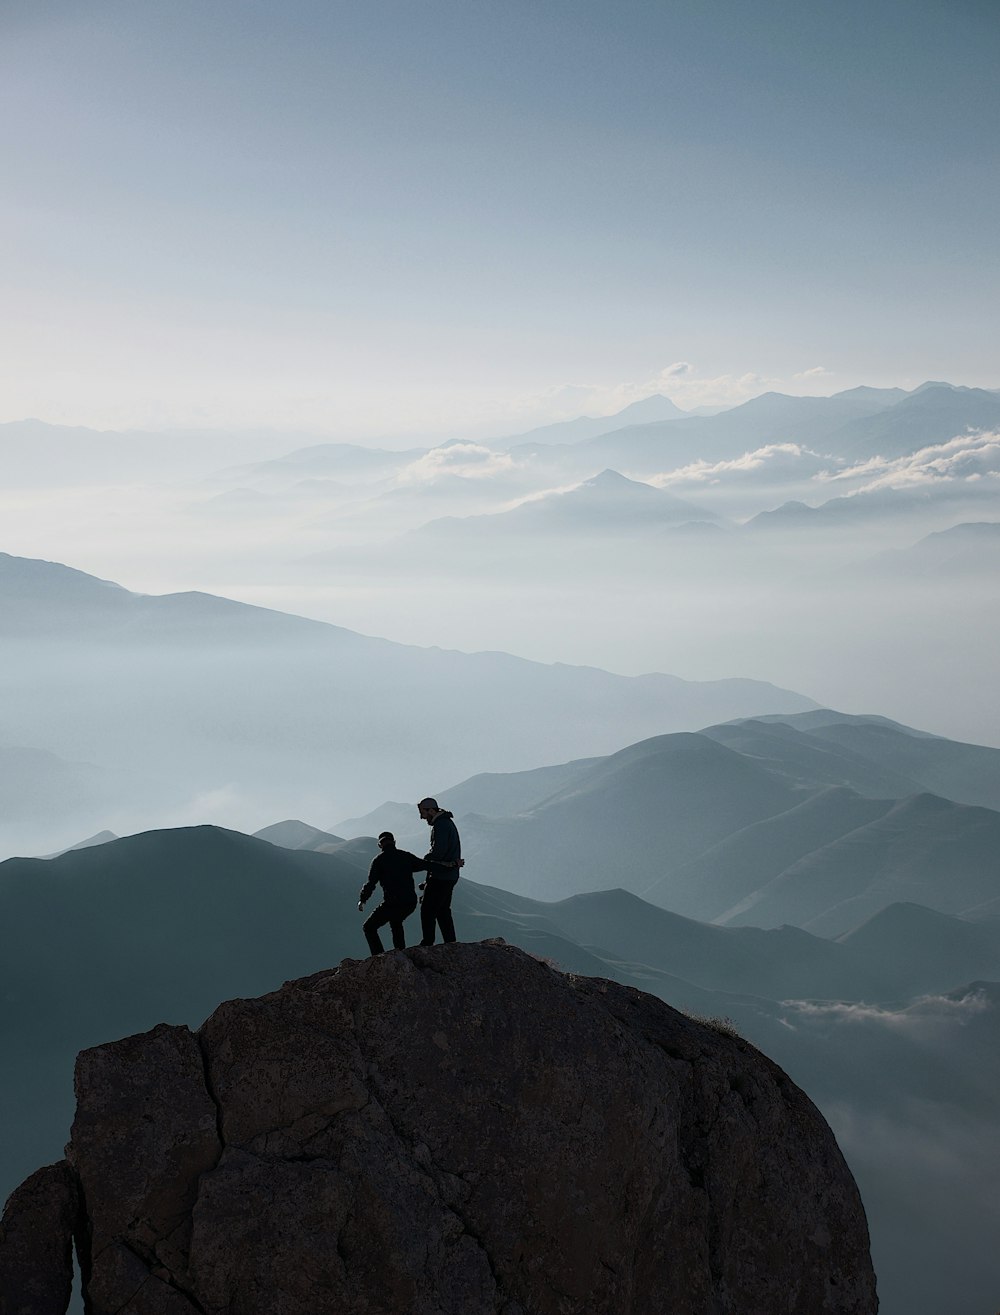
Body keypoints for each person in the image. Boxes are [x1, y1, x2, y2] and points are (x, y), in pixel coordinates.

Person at [358, 831, 446, 956]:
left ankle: (380, 957)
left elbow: (371, 883)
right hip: (409, 902)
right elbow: (427, 865)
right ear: (394, 842)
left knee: (369, 927)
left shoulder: (379, 861)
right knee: (396, 921)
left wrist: (363, 899)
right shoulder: (405, 856)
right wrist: (451, 866)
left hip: (392, 902)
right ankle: (400, 953)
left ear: (380, 845)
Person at [417, 797, 462, 945]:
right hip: (450, 875)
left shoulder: (440, 825)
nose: (422, 817)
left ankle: (428, 943)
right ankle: (451, 942)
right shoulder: (447, 823)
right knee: (443, 910)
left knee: (427, 909)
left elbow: (439, 851)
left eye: (423, 812)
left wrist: (426, 859)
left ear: (430, 810)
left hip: (440, 875)